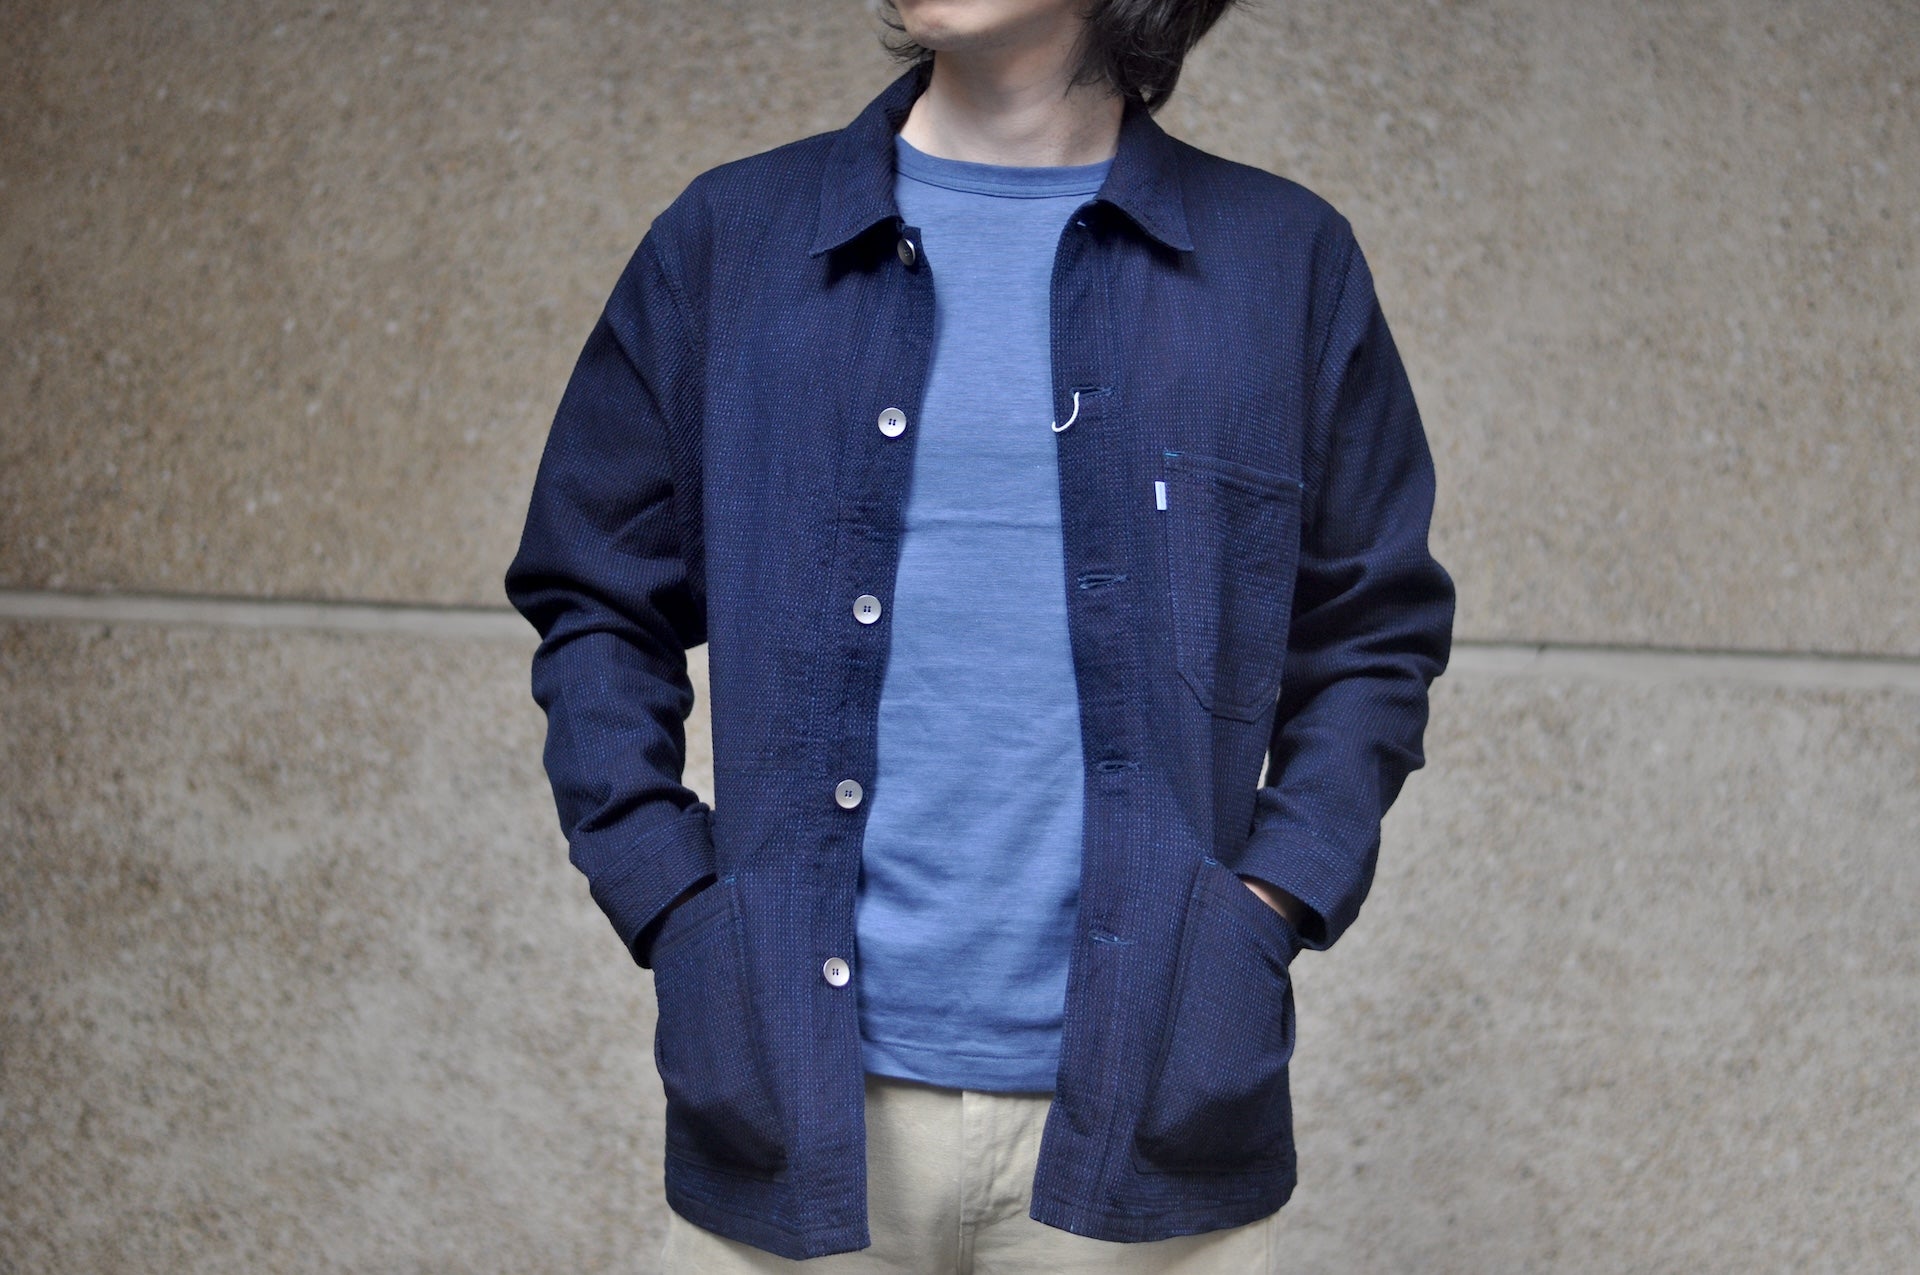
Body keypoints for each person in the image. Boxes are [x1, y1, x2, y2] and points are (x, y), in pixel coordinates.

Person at [503, 0, 1454, 1269]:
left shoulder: (1282, 264)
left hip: (1151, 1114)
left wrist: (1266, 906)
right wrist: (673, 900)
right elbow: (593, 596)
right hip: (796, 1104)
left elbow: (1374, 632)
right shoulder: (732, 243)